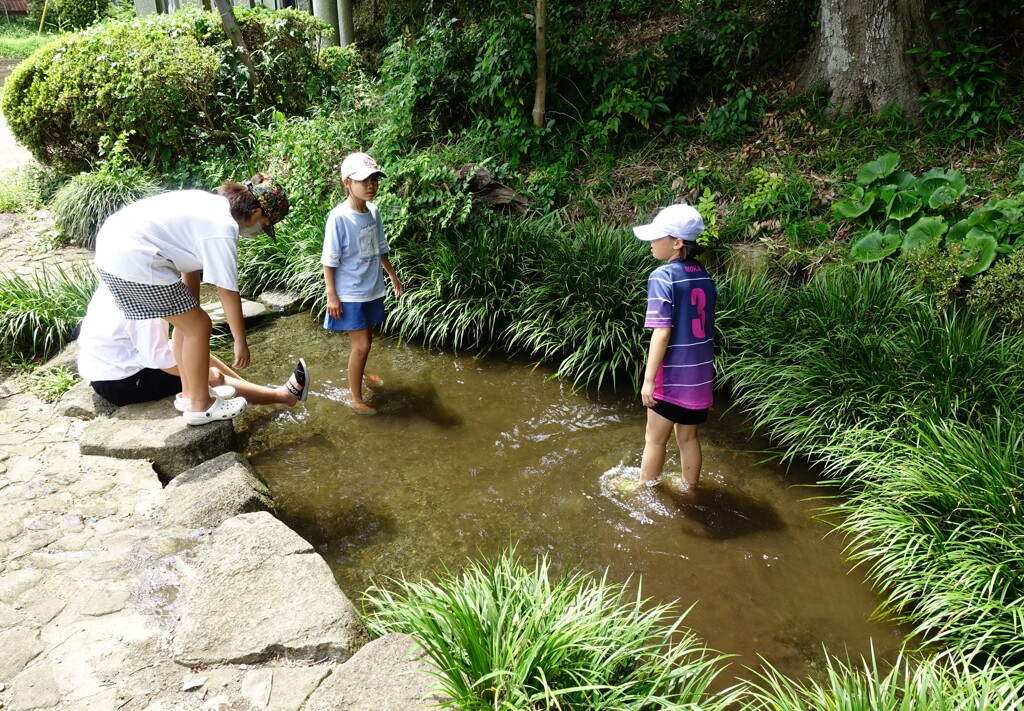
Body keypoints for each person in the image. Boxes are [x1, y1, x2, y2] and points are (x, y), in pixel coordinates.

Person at [93, 173, 290, 425]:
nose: (260, 230)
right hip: (134, 258)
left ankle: (189, 393)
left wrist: (193, 308)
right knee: (199, 325)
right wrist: (240, 341)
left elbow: (189, 268)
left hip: (113, 252)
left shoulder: (208, 206)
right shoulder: (223, 228)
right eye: (264, 224)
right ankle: (201, 406)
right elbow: (227, 289)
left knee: (189, 323)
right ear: (253, 214)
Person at [77, 282, 310, 410]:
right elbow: (159, 360)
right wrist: (205, 375)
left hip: (108, 366)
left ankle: (250, 391)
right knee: (204, 375)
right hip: (121, 383)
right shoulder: (145, 302)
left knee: (195, 353)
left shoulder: (120, 279)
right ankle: (284, 397)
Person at [632, 204, 717, 491]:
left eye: (658, 237)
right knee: (688, 438)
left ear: (678, 243)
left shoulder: (662, 276)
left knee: (654, 439)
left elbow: (662, 332)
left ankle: (643, 491)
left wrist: (648, 380)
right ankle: (691, 490)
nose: (652, 244)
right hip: (700, 377)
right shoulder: (705, 276)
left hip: (672, 376)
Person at [322, 152, 403, 415]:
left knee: (366, 339)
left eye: (374, 180)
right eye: (363, 180)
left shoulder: (373, 212)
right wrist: (331, 295)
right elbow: (329, 259)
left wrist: (391, 274)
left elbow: (380, 247)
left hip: (371, 287)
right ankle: (356, 398)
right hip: (349, 292)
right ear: (347, 182)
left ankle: (362, 370)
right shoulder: (339, 217)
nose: (371, 185)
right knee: (362, 344)